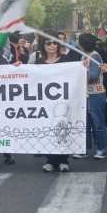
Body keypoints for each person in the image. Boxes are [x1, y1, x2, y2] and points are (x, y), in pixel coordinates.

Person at [36, 32, 71, 173]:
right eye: (48, 43)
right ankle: (50, 160)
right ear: (43, 45)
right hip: (45, 103)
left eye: (55, 43)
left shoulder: (66, 60)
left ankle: (63, 160)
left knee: (62, 129)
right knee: (48, 130)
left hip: (63, 102)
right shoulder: (38, 62)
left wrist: (83, 66)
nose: (52, 46)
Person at [73, 33, 107, 160]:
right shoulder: (84, 55)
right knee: (85, 122)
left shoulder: (95, 56)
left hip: (96, 94)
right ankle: (85, 149)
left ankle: (101, 149)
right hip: (85, 94)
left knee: (98, 123)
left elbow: (93, 76)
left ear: (82, 44)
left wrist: (79, 76)